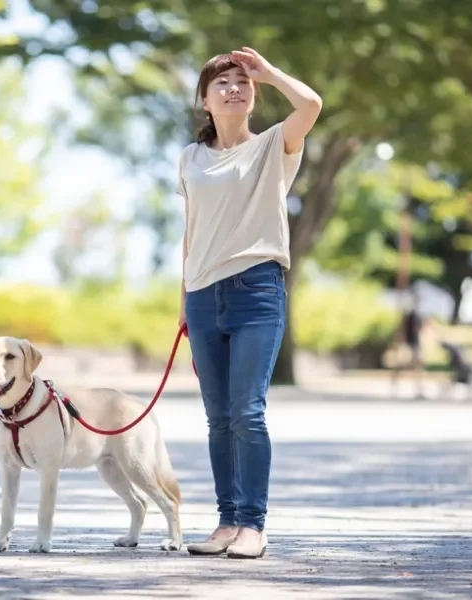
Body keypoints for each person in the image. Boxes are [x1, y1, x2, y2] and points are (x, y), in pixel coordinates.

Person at [175, 48, 321, 559]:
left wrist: (271, 72)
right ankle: (226, 520)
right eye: (223, 82)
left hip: (256, 289)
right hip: (201, 294)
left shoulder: (273, 146)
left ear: (253, 95)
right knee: (218, 417)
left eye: (242, 82)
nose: (234, 88)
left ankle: (253, 525)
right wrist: (184, 299)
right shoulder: (190, 158)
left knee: (247, 412)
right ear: (205, 98)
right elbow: (191, 230)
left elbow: (311, 104)